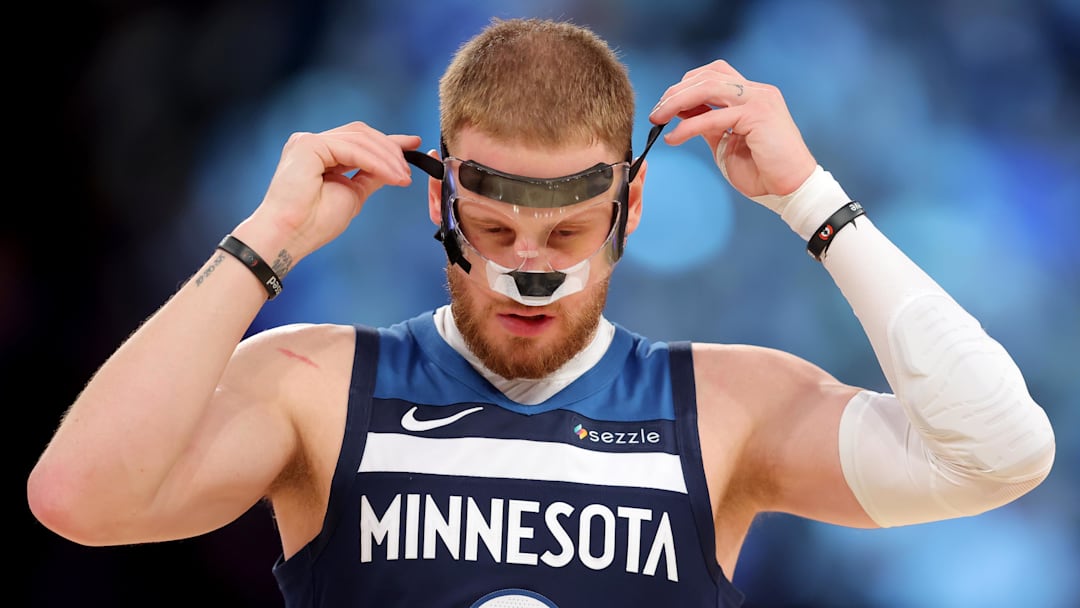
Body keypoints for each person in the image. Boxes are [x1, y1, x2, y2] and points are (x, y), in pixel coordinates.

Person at [27, 16, 1055, 608]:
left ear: (630, 210)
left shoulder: (725, 404)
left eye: (565, 235)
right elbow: (79, 494)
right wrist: (265, 242)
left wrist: (811, 199)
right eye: (494, 229)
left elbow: (999, 452)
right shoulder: (319, 384)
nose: (528, 271)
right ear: (439, 203)